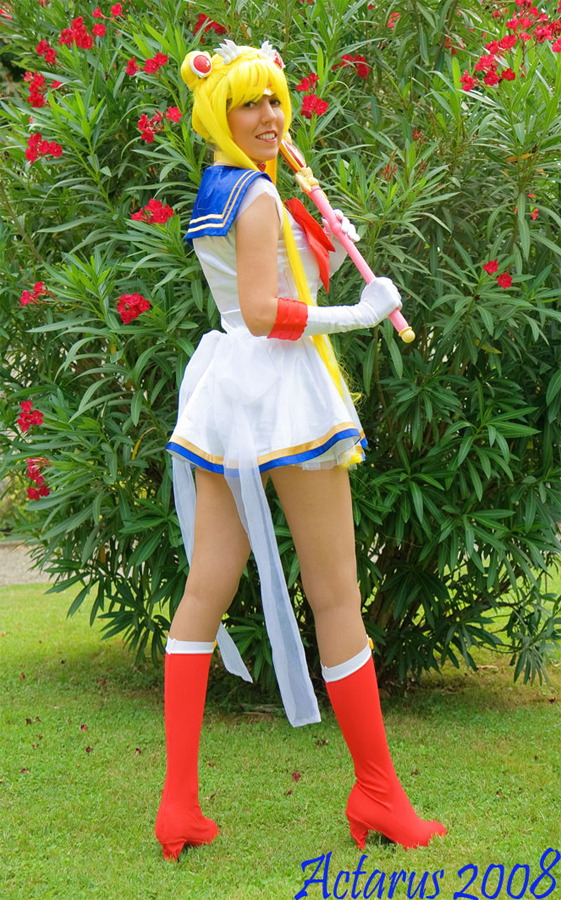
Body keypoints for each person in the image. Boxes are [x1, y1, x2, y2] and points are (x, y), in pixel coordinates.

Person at [155, 39, 446, 861]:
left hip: (230, 396)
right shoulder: (254, 195)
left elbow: (267, 284)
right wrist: (359, 314)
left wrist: (318, 241)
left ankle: (178, 807)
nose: (268, 116)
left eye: (275, 100)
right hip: (279, 392)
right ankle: (377, 794)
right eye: (248, 103)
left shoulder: (225, 185)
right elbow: (262, 312)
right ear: (218, 112)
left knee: (204, 591)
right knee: (337, 596)